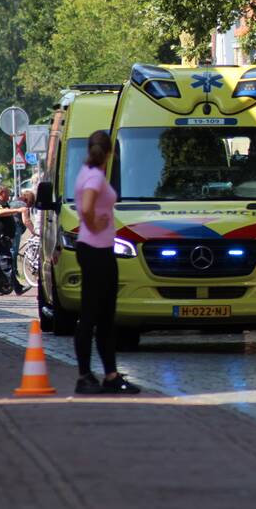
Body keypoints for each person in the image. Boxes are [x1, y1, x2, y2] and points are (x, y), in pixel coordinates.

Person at [73, 130, 140, 396]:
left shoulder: (84, 173)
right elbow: (88, 207)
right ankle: (90, 376)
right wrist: (92, 223)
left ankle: (103, 374)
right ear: (111, 152)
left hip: (94, 249)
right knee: (96, 315)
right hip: (96, 250)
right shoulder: (95, 177)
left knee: (98, 315)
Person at [0, 186, 32, 295]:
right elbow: (0, 212)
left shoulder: (5, 204)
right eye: (7, 193)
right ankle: (18, 288)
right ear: (2, 193)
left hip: (4, 239)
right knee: (7, 264)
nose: (9, 195)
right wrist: (18, 210)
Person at [10, 189, 36, 286]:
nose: (31, 205)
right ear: (29, 200)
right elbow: (26, 221)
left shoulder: (13, 202)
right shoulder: (24, 205)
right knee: (14, 251)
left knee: (10, 250)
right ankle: (13, 272)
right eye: (31, 202)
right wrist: (34, 231)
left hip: (8, 228)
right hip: (15, 228)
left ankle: (13, 271)